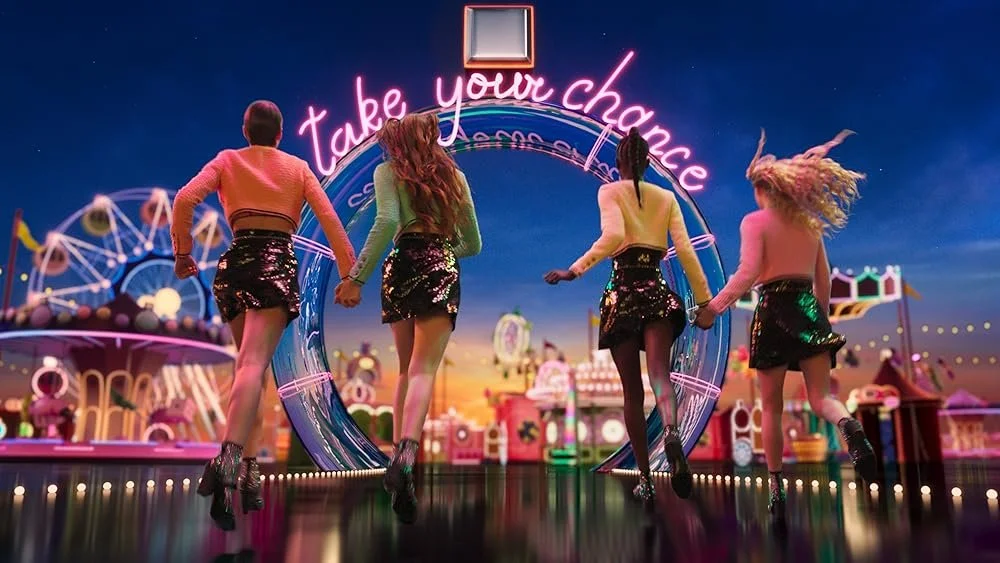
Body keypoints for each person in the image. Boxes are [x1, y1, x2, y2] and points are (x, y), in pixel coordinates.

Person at [171, 100, 356, 531]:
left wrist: (183, 254)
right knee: (253, 367)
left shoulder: (228, 160)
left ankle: (249, 468)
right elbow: (330, 221)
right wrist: (349, 275)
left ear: (245, 130)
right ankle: (229, 462)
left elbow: (184, 199)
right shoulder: (297, 167)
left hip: (235, 263)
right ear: (280, 134)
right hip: (274, 263)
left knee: (248, 371)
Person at [694, 129, 876, 518]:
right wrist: (820, 322)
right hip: (807, 306)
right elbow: (824, 279)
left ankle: (776, 490)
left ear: (762, 190)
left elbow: (747, 273)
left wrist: (713, 307)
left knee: (772, 407)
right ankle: (849, 426)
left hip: (773, 309)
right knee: (820, 398)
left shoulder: (754, 222)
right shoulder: (810, 225)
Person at [544, 127, 713, 503]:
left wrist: (575, 270)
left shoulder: (609, 191)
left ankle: (647, 479)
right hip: (655, 290)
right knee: (660, 375)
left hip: (623, 294)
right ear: (648, 161)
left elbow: (611, 236)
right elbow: (685, 252)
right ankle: (671, 433)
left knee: (631, 394)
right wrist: (704, 301)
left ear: (618, 162)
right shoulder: (666, 197)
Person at [334, 113, 482, 523]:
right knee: (423, 371)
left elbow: (387, 222)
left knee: (404, 371)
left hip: (400, 265)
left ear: (396, 142)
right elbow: (474, 243)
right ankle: (407, 456)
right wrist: (445, 248)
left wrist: (355, 277)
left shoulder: (388, 172)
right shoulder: (456, 179)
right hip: (440, 262)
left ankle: (399, 467)